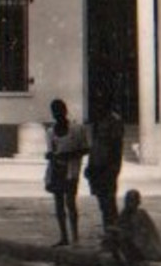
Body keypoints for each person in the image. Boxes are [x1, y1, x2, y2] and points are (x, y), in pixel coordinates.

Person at [44, 98, 88, 246]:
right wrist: (50, 156)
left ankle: (75, 236)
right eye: (54, 111)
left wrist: (70, 155)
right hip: (57, 170)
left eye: (59, 110)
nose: (57, 114)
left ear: (65, 111)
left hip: (71, 170)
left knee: (70, 202)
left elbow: (85, 148)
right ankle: (64, 236)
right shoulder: (50, 131)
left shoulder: (77, 129)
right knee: (58, 203)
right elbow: (50, 151)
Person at [85, 103, 125, 233]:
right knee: (103, 204)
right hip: (96, 167)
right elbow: (95, 145)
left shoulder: (114, 121)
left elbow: (116, 148)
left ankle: (113, 235)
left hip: (107, 167)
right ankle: (109, 232)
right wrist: (90, 166)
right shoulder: (98, 122)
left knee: (109, 204)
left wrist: (114, 169)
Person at [114, 189, 161, 266]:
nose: (130, 203)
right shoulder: (125, 214)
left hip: (143, 247)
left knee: (124, 241)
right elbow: (121, 227)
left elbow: (145, 234)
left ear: (137, 202)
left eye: (132, 201)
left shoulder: (140, 214)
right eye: (128, 200)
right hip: (137, 244)